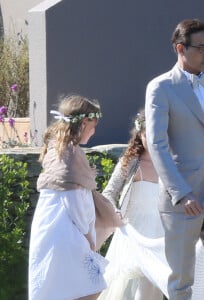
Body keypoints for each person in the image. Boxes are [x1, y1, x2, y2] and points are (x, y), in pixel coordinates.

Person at [145, 18, 204, 300]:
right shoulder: (160, 88)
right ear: (180, 48)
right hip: (183, 200)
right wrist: (181, 193)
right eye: (201, 48)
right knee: (182, 281)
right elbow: (157, 145)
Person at [29, 95, 109, 300]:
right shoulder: (69, 154)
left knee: (63, 288)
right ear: (83, 123)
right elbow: (74, 200)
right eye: (93, 125)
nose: (94, 131)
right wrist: (88, 236)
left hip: (52, 227)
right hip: (66, 231)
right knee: (89, 286)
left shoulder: (59, 149)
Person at [99, 110, 165, 300]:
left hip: (159, 235)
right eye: (147, 135)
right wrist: (115, 212)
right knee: (125, 285)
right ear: (140, 135)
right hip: (134, 233)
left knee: (151, 287)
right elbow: (109, 193)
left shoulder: (168, 164)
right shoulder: (130, 163)